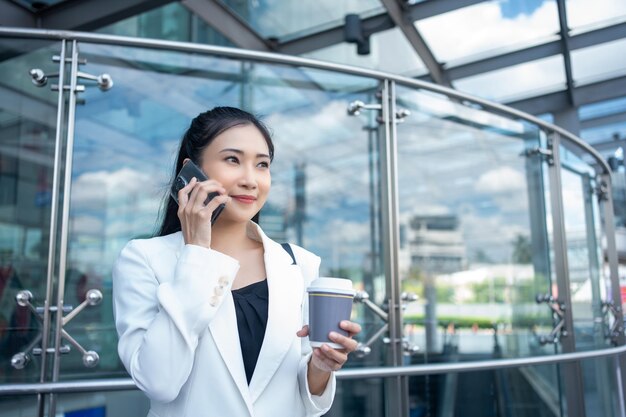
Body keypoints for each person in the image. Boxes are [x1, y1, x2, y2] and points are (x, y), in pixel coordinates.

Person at [112, 106, 361, 417]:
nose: (250, 180)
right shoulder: (145, 259)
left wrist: (321, 367)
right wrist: (197, 256)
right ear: (192, 171)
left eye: (262, 165)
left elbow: (303, 397)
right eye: (232, 159)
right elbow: (159, 382)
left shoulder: (300, 264)